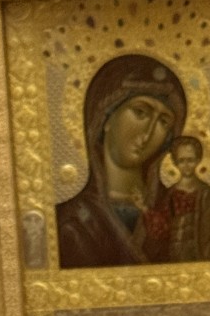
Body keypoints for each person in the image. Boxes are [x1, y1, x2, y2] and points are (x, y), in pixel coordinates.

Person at [56, 55, 186, 270]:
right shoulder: (68, 220)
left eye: (163, 122)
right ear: (105, 118)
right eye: (140, 112)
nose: (149, 133)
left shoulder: (178, 211)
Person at [155, 135, 210, 263]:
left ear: (198, 160)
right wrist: (143, 208)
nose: (186, 165)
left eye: (190, 160)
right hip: (173, 254)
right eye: (182, 161)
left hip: (197, 254)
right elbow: (163, 225)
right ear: (175, 162)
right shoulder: (170, 193)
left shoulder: (204, 192)